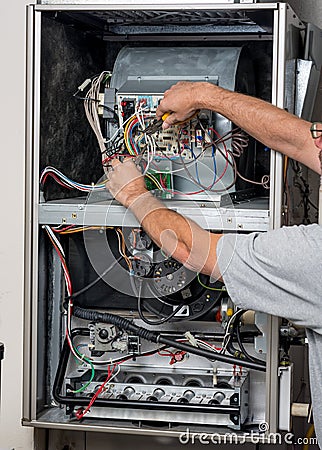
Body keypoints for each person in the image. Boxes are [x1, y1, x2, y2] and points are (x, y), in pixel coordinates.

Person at [105, 81, 322, 445]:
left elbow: (192, 249)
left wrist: (135, 196)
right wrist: (204, 95)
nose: (316, 139)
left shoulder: (312, 258)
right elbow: (301, 140)